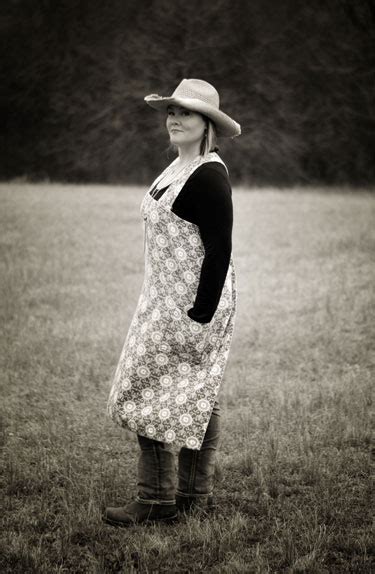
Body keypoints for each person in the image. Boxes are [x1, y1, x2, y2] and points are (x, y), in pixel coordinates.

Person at [104, 78, 241, 526]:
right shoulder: (177, 167)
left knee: (171, 392)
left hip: (194, 304)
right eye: (171, 112)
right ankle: (183, 497)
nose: (175, 119)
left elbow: (219, 249)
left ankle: (166, 497)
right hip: (162, 300)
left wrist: (200, 312)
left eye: (186, 112)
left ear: (207, 125)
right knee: (182, 392)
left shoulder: (208, 175)